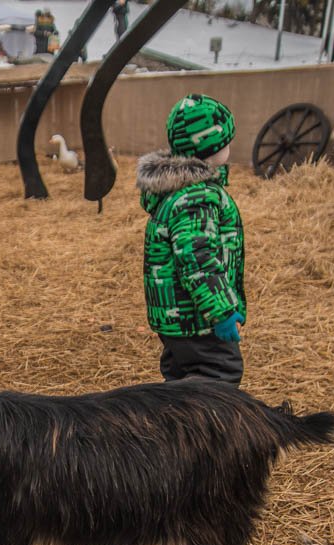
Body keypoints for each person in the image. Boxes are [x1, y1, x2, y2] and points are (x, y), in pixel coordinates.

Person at [136, 94, 245, 386]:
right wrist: (221, 311)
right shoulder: (197, 197)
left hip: (175, 319)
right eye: (227, 142)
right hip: (195, 319)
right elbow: (197, 259)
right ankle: (212, 433)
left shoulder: (177, 191)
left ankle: (173, 430)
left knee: (180, 382)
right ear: (212, 148)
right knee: (218, 377)